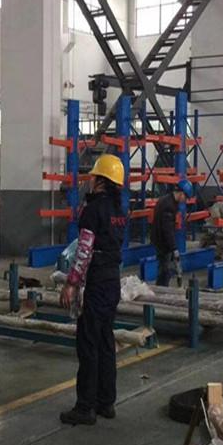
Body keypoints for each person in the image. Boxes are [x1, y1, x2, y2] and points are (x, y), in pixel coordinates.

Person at [59, 154, 127, 426]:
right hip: (113, 281)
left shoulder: (93, 210)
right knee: (106, 341)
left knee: (88, 343)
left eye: (93, 176)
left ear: (100, 180)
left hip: (97, 283)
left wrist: (71, 283)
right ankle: (106, 402)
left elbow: (84, 250)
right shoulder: (119, 211)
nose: (89, 180)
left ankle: (85, 407)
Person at [150, 179, 193, 287]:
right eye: (185, 197)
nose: (185, 200)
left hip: (159, 239)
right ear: (181, 193)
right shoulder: (169, 206)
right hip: (162, 243)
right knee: (164, 270)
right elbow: (167, 230)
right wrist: (174, 248)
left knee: (163, 268)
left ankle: (161, 288)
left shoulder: (166, 199)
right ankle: (161, 290)